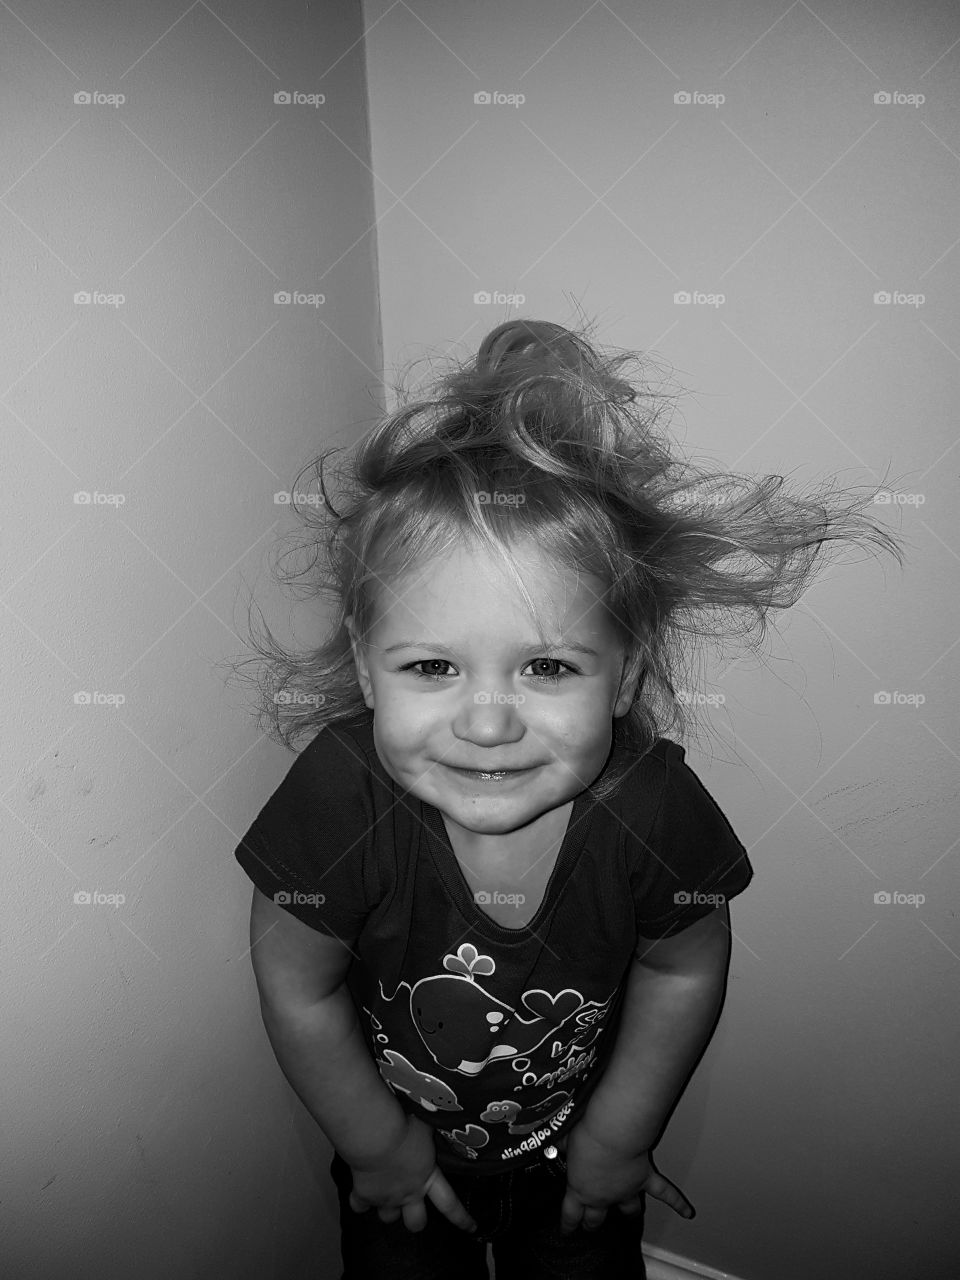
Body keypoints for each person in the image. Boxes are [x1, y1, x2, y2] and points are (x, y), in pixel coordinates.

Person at [231, 318, 903, 1278]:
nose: (490, 722)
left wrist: (621, 1140)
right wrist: (376, 1145)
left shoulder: (653, 807)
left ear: (622, 678)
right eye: (432, 666)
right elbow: (294, 982)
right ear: (367, 669)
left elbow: (683, 970)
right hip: (396, 1160)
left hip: (578, 1162)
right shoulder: (340, 797)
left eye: (546, 665)